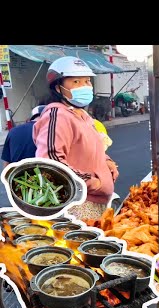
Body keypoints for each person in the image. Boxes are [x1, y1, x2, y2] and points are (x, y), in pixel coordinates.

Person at [33, 56, 119, 220]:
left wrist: (107, 162)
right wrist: (94, 183)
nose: (85, 86)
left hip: (97, 204)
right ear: (58, 88)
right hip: (78, 207)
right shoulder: (57, 115)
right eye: (76, 82)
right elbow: (51, 162)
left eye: (87, 81)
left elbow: (93, 147)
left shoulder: (83, 115)